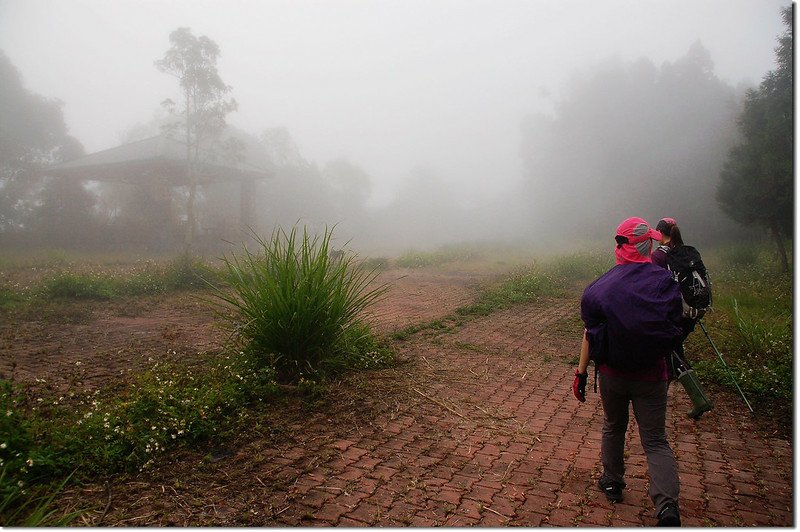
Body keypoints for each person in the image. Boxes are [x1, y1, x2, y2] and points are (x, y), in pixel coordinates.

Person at [572, 216, 683, 527]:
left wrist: (581, 374)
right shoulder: (663, 282)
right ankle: (667, 507)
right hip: (652, 377)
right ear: (647, 244)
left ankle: (612, 481)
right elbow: (676, 327)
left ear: (618, 246)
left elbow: (589, 332)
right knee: (656, 440)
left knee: (613, 426)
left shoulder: (599, 288)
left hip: (612, 374)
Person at [651, 217, 713, 419]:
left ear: (660, 233)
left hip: (674, 312)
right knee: (672, 350)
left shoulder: (660, 256)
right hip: (692, 311)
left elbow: (655, 285)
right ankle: (661, 394)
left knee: (672, 353)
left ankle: (699, 400)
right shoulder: (686, 252)